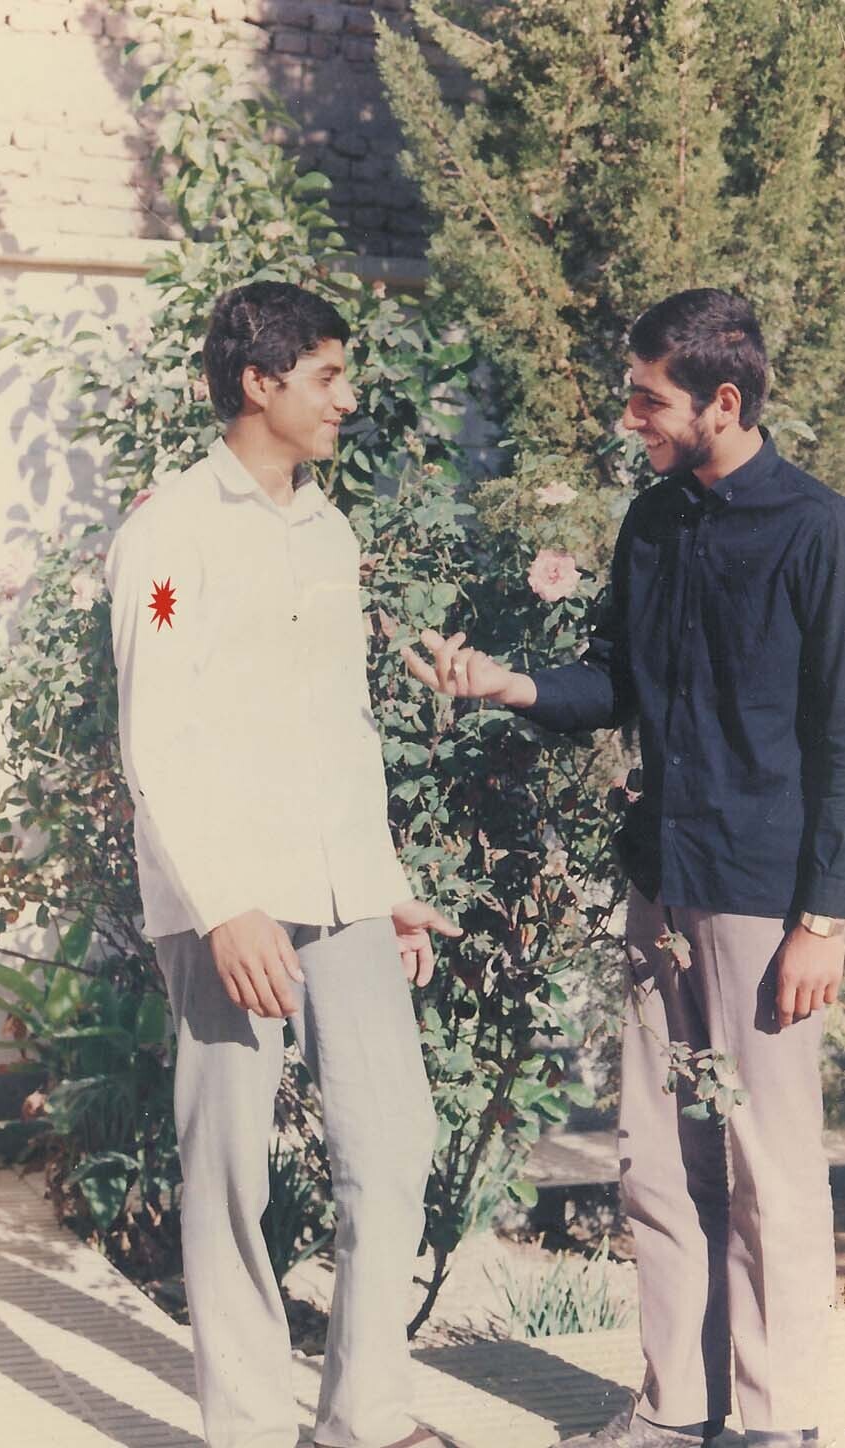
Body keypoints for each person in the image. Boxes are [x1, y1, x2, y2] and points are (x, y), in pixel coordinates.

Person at [403, 288, 842, 1448]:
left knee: (769, 1165)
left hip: (766, 898)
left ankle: (782, 1421)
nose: (630, 417)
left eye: (649, 399)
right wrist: (509, 684)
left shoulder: (819, 531)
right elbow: (615, 681)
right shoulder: (651, 523)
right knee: (660, 1155)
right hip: (663, 877)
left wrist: (826, 919)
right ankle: (676, 1409)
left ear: (723, 401)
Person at [105, 280, 460, 1448]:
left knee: (393, 1138)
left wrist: (386, 882)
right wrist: (224, 906)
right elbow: (159, 738)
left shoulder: (328, 529)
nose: (347, 398)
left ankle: (368, 1415)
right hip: (230, 905)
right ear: (260, 383)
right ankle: (250, 1426)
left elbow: (343, 729)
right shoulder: (169, 534)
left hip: (344, 890)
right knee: (229, 1169)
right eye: (327, 376)